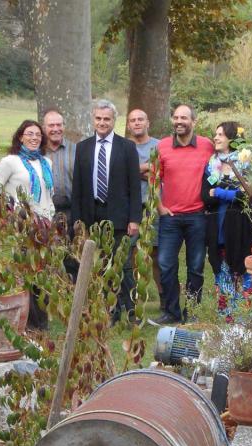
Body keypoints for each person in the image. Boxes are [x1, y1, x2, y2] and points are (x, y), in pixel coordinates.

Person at [71, 99, 142, 324]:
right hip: (93, 215)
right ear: (93, 119)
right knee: (100, 265)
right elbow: (78, 188)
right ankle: (109, 311)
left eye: (107, 119)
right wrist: (78, 221)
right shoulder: (83, 147)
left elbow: (134, 187)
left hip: (120, 216)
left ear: (114, 121)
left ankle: (131, 311)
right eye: (98, 118)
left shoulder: (127, 147)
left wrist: (135, 219)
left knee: (123, 265)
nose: (102, 123)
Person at [0, 119, 55, 331]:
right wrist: (8, 212)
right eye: (29, 134)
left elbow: (48, 194)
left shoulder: (46, 162)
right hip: (20, 226)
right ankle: (25, 321)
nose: (34, 138)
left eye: (38, 135)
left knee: (41, 274)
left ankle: (40, 321)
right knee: (24, 273)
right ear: (20, 137)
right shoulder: (11, 161)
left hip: (44, 226)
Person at [152, 104, 214, 325]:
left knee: (195, 267)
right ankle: (171, 312)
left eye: (184, 118)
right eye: (176, 117)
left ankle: (193, 312)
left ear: (193, 122)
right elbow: (153, 179)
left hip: (198, 216)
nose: (179, 121)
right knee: (166, 264)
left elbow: (220, 169)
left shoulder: (207, 146)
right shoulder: (162, 146)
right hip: (170, 217)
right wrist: (159, 207)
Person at [202, 121, 252, 304]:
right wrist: (232, 194)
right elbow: (205, 196)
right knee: (221, 270)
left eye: (220, 135)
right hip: (217, 227)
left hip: (241, 227)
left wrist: (220, 192)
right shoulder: (211, 165)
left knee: (243, 270)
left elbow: (249, 197)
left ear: (232, 139)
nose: (215, 138)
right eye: (215, 134)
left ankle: (244, 319)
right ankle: (226, 320)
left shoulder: (245, 164)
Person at [127, 108, 163, 302]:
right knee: (131, 253)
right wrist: (144, 168)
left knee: (156, 253)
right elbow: (122, 173)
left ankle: (164, 298)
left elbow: (160, 173)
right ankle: (133, 297)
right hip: (132, 208)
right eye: (133, 120)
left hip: (154, 207)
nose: (137, 123)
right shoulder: (125, 147)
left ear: (148, 123)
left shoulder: (159, 145)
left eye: (141, 119)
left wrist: (136, 172)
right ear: (128, 125)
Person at [41, 109, 76, 226]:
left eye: (59, 125)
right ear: (44, 128)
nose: (56, 129)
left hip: (71, 214)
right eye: (51, 125)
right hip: (43, 214)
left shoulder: (76, 150)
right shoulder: (37, 152)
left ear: (64, 126)